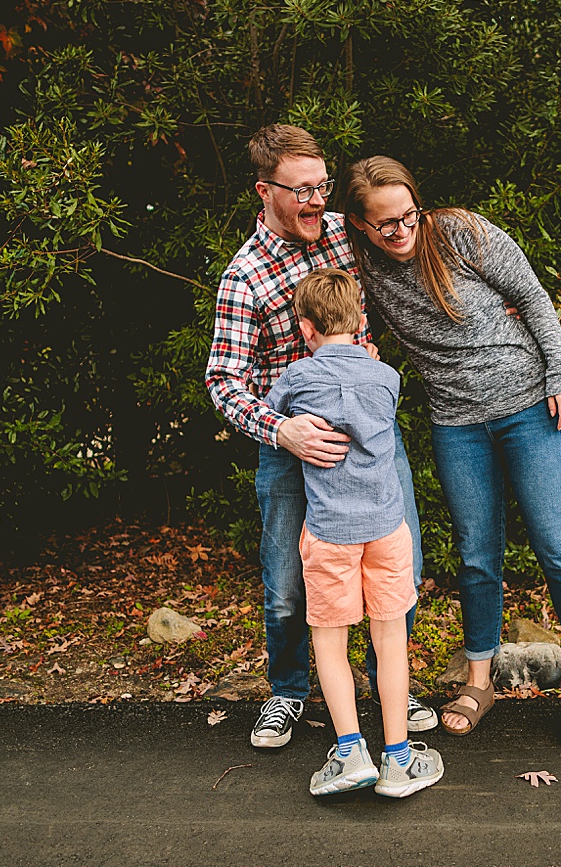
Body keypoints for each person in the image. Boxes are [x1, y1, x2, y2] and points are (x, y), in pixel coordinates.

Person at [340, 155, 561, 747]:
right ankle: (480, 680)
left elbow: (534, 299)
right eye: (384, 224)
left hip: (531, 407)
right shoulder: (361, 261)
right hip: (457, 423)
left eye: (408, 215)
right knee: (475, 556)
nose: (401, 231)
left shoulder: (462, 233)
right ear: (361, 225)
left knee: (557, 544)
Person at [205, 126, 437, 749]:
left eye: (322, 186)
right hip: (292, 449)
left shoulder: (344, 232)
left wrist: (498, 308)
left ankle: (394, 686)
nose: (316, 199)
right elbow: (223, 383)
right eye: (301, 189)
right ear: (265, 191)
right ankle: (288, 691)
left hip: (368, 443)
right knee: (286, 584)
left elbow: (414, 252)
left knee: (399, 568)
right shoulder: (244, 277)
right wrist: (283, 429)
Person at [265, 268, 444, 797]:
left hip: (328, 534)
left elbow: (273, 414)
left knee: (330, 642)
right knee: (391, 641)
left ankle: (349, 754)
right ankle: (398, 758)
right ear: (362, 319)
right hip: (387, 530)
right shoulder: (386, 377)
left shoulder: (297, 377)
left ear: (305, 328)